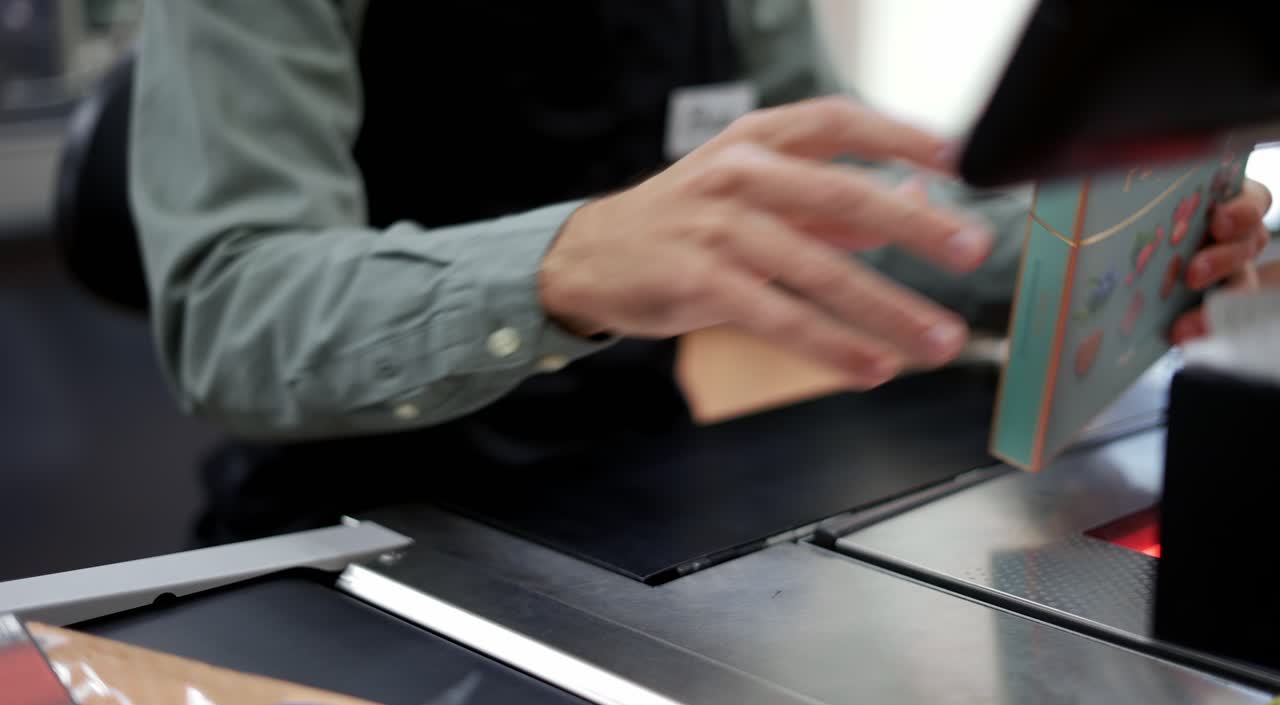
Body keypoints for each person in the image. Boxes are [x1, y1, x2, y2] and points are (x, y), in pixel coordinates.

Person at [129, 1, 1273, 543]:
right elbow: (230, 307)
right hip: (339, 532)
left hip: (645, 504)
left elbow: (833, 201)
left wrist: (1115, 253)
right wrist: (558, 265)